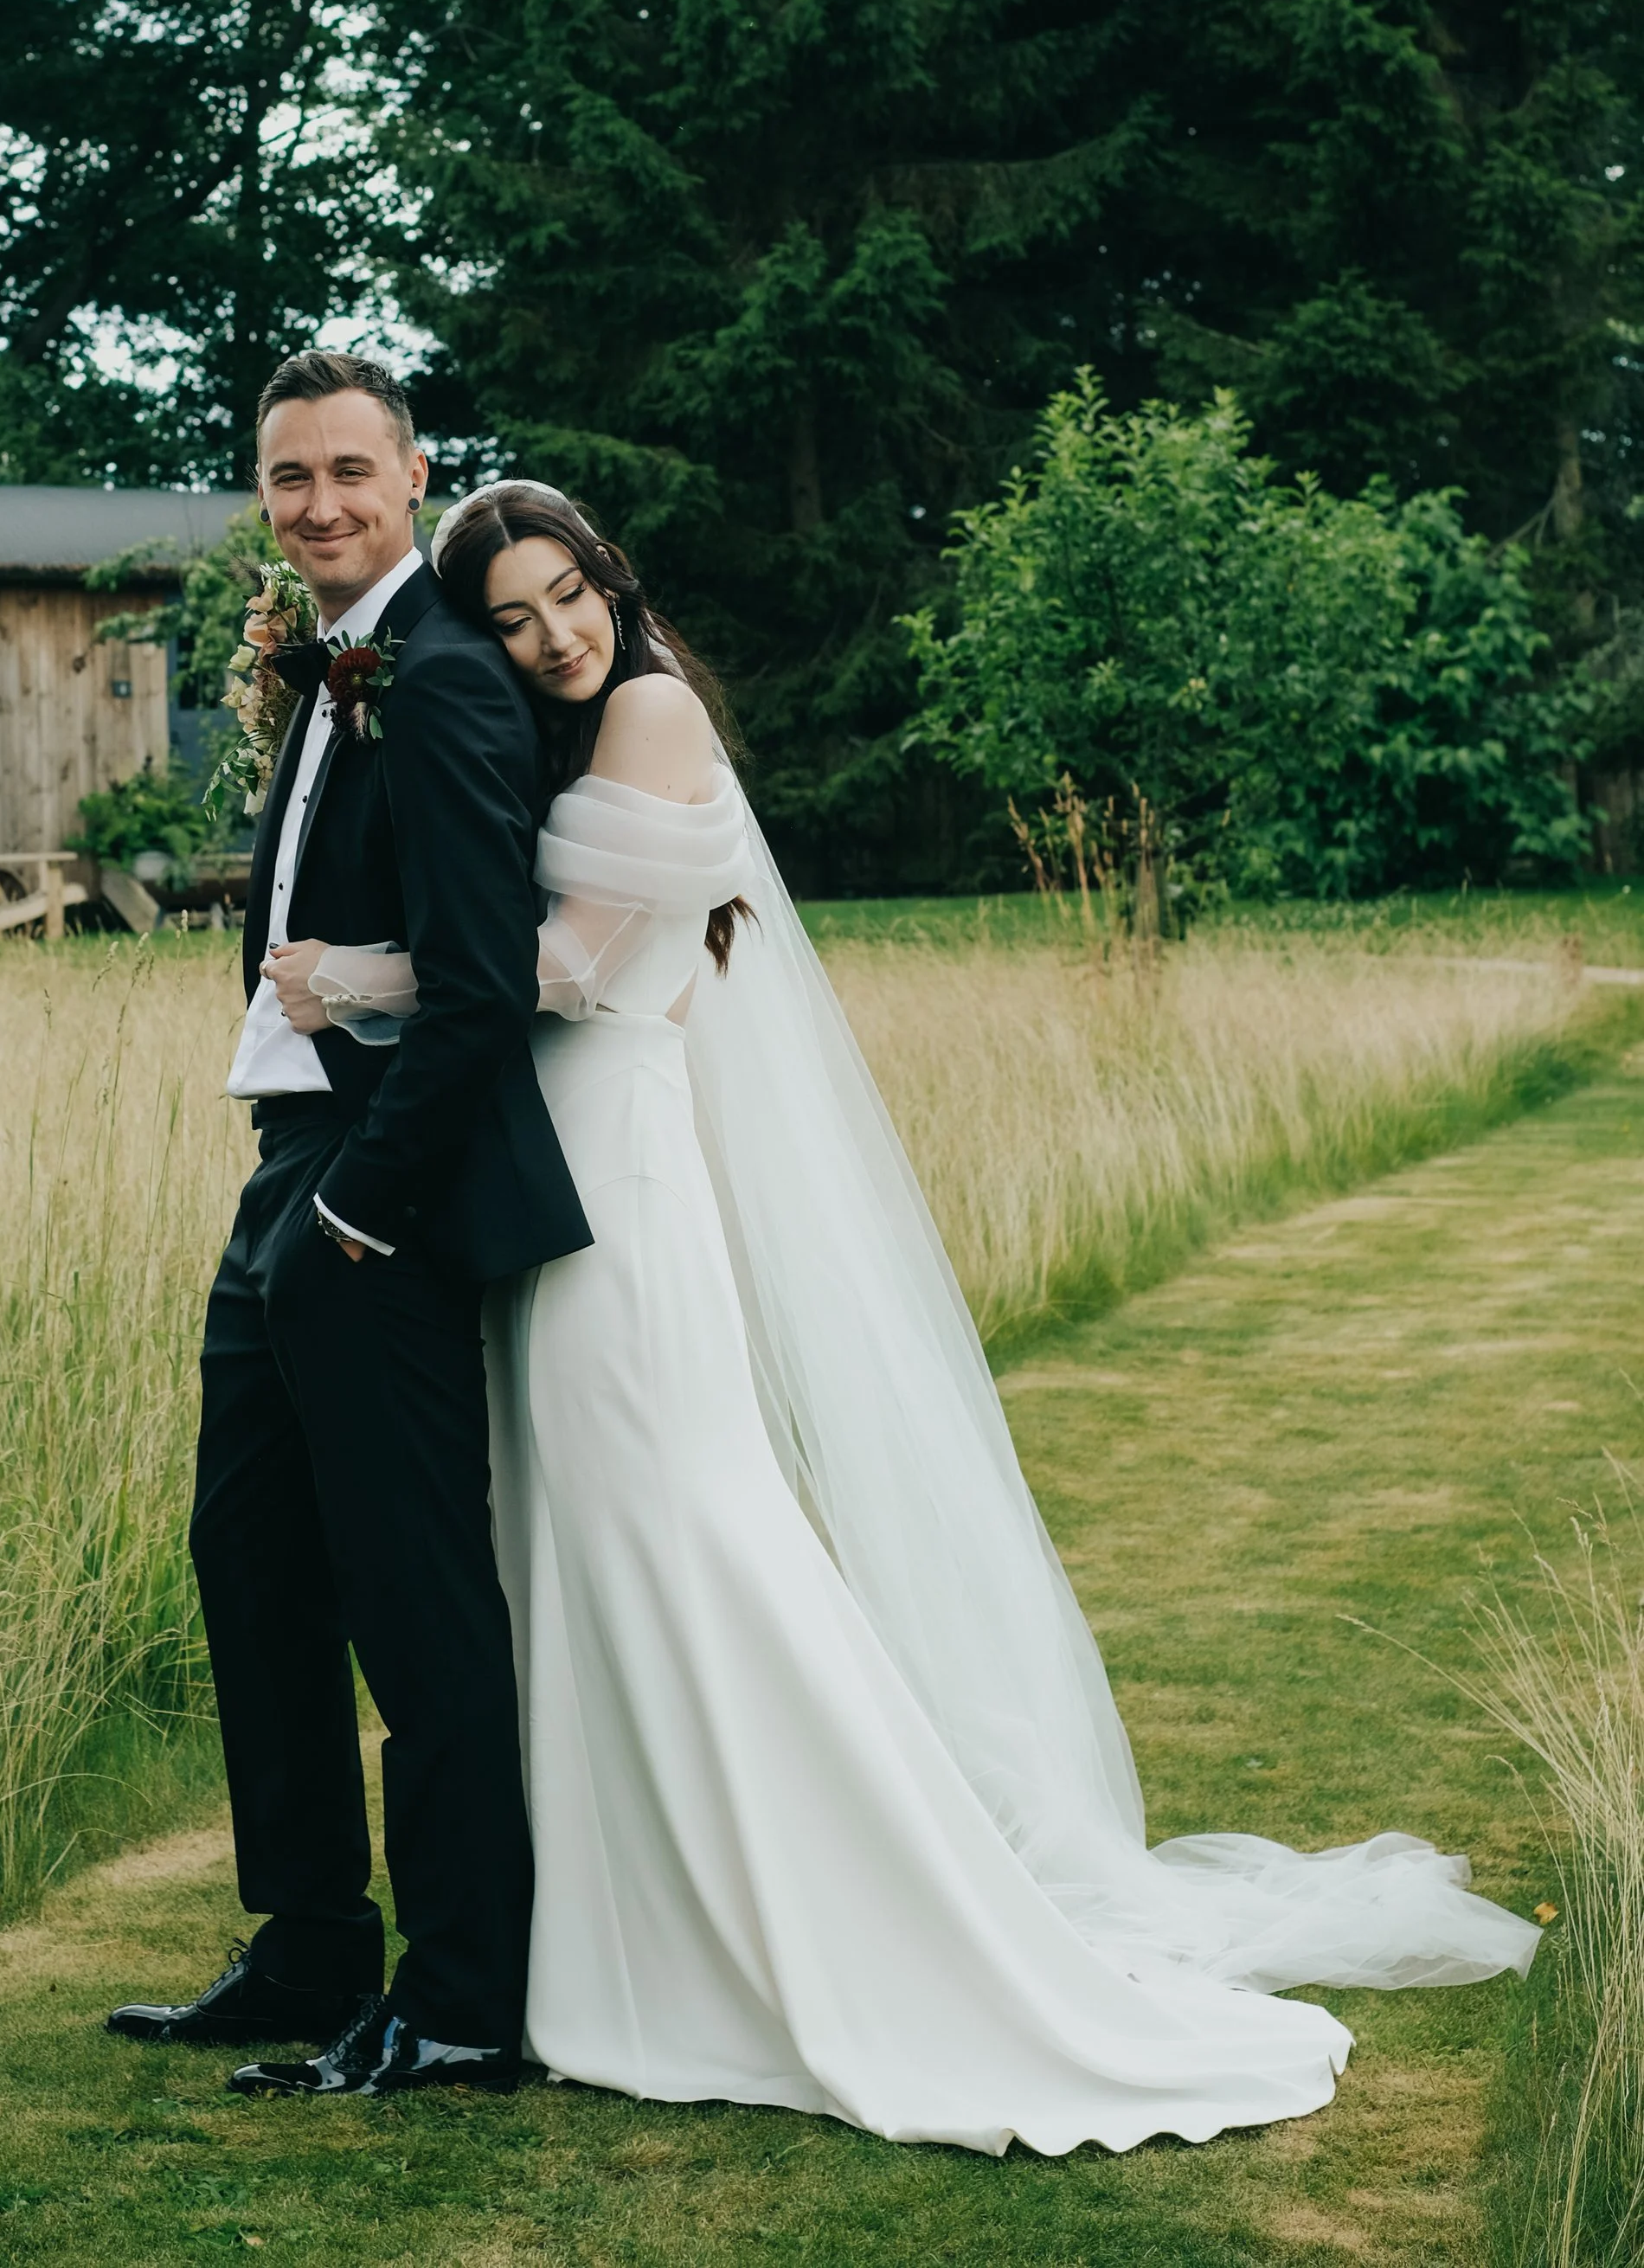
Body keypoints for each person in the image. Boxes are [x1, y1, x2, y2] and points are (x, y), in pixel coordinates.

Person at [269, 479, 1539, 2153]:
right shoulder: (555, 734)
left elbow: (563, 969)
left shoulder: (648, 709)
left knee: (684, 1533)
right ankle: (626, 1930)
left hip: (625, 1183)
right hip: (558, 1166)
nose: (552, 636)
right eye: (513, 621)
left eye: (568, 595)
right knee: (584, 1547)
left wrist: (354, 975)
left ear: (613, 583)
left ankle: (848, 1916)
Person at [106, 367, 590, 2101]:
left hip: (381, 1185)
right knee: (247, 1561)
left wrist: (356, 1221)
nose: (317, 503)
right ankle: (311, 1939)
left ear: (413, 478)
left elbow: (475, 1001)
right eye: (287, 477)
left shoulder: (442, 680)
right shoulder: (330, 671)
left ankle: (463, 2001)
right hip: (286, 1158)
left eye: (348, 474)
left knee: (415, 1599)